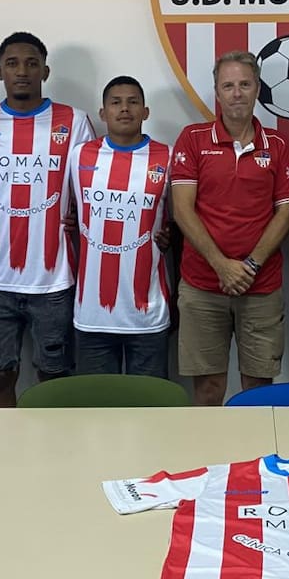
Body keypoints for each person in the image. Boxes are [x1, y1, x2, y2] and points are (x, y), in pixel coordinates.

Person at [0, 32, 95, 407]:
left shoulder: (73, 121)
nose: (22, 71)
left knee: (54, 378)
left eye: (31, 63)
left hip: (53, 278)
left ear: (45, 70)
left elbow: (95, 182)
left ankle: (57, 447)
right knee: (0, 375)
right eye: (12, 63)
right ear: (0, 71)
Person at [170, 51, 289, 406]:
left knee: (258, 388)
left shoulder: (278, 145)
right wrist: (222, 265)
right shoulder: (192, 138)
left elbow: (285, 214)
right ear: (216, 92)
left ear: (258, 88)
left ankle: (253, 447)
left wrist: (249, 266)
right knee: (208, 388)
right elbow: (182, 209)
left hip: (261, 285)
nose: (237, 93)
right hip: (201, 285)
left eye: (244, 84)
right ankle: (209, 447)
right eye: (228, 86)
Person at [68, 76, 172, 378]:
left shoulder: (168, 156)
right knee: (98, 405)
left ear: (145, 112)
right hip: (92, 316)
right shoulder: (79, 155)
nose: (124, 109)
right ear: (103, 113)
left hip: (147, 315)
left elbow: (181, 221)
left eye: (133, 102)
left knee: (149, 404)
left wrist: (170, 235)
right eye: (116, 102)